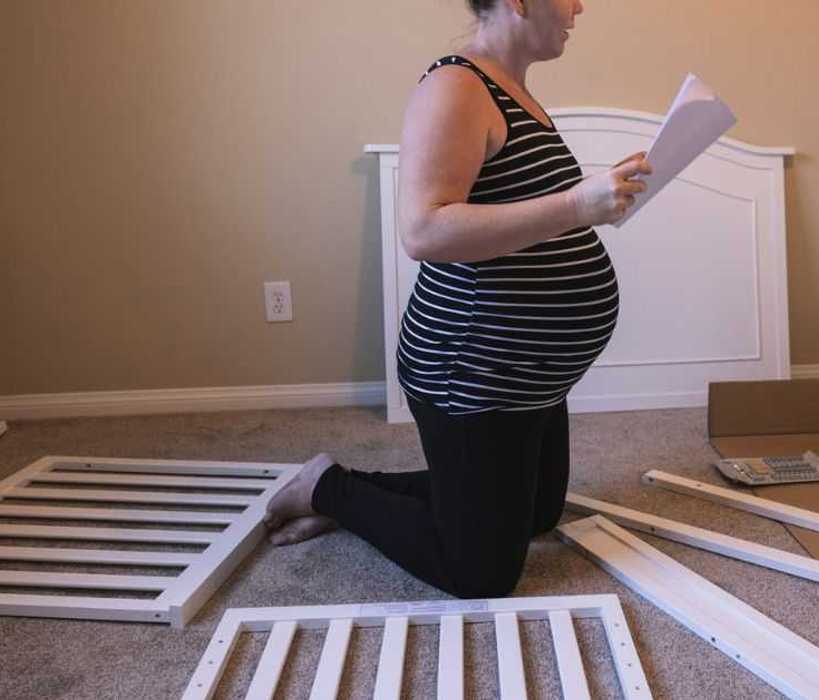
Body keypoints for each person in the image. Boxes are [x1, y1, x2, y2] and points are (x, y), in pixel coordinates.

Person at [263, 0, 651, 598]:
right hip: (473, 370)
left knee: (539, 515)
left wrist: (599, 195)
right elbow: (424, 231)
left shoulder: (514, 91)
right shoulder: (455, 87)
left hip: (532, 376)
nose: (579, 6)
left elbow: (523, 216)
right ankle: (325, 487)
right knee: (481, 571)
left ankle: (383, 496)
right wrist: (579, 204)